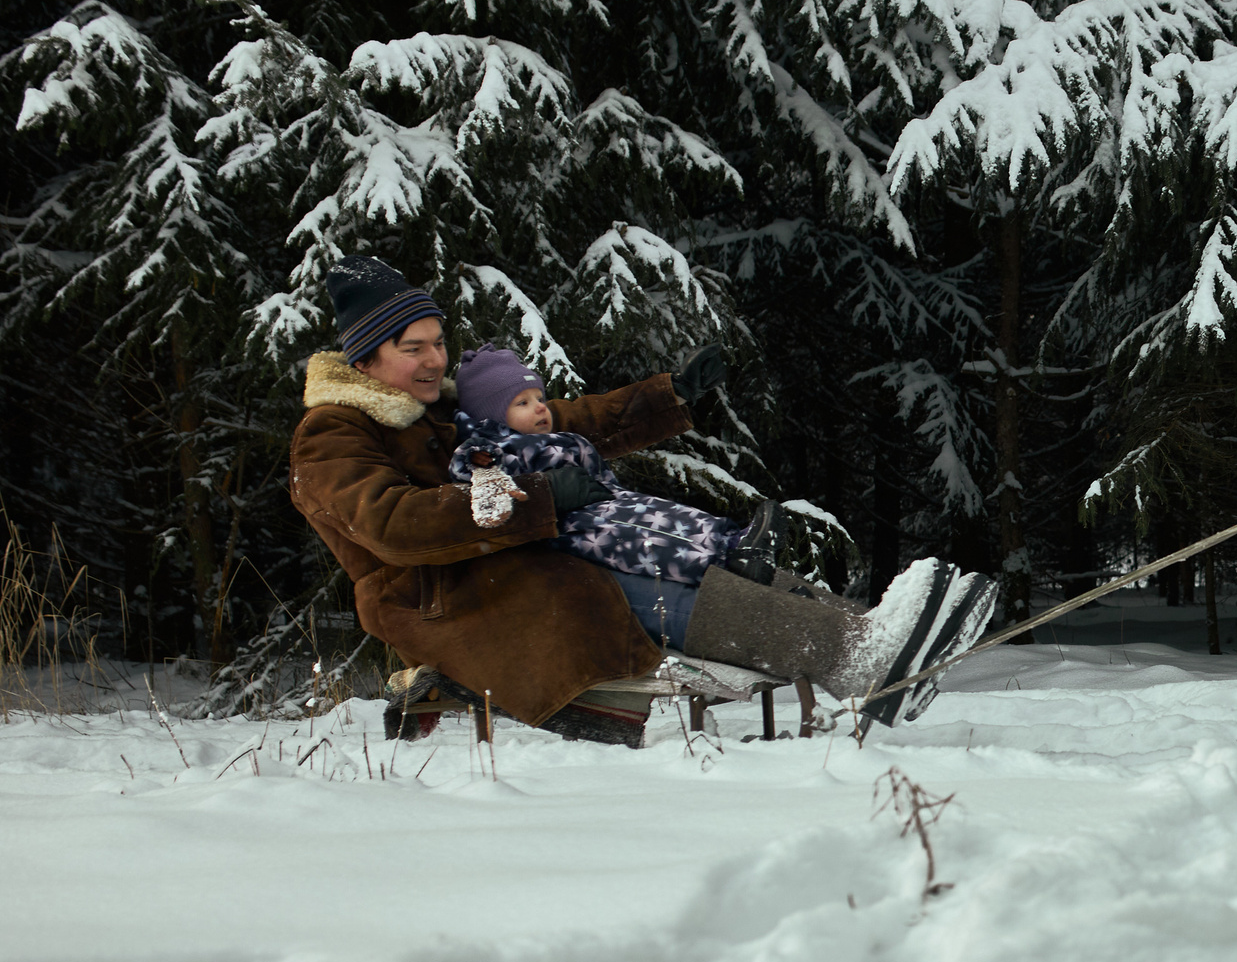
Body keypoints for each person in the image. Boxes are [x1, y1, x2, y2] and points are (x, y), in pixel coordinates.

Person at [289, 256, 996, 746]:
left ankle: (869, 633)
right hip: (447, 601)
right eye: (414, 348)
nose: (436, 360)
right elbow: (392, 524)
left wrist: (667, 397)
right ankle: (854, 656)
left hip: (503, 563)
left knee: (658, 538)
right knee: (611, 575)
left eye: (439, 343)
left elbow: (559, 424)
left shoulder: (438, 412)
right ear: (366, 361)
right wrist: (534, 498)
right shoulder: (332, 434)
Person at [446, 343, 781, 591]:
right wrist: (529, 486)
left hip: (608, 501)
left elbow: (599, 417)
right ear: (489, 416)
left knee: (664, 513)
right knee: (650, 543)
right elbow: (477, 469)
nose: (538, 408)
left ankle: (736, 544)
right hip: (574, 525)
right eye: (522, 403)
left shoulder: (548, 434)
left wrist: (674, 391)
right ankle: (725, 568)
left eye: (539, 399)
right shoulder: (491, 446)